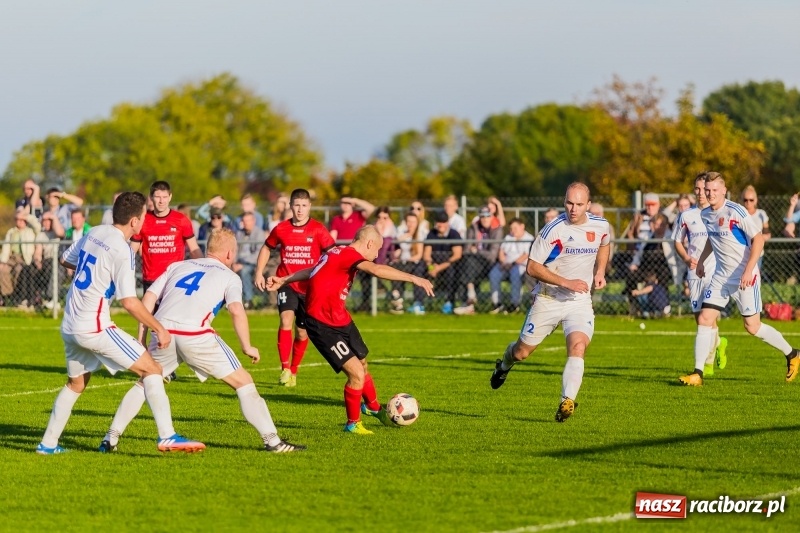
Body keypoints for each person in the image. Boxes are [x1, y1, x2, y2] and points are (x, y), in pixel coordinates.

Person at [97, 228, 304, 453]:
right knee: (244, 383)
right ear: (229, 254)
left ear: (208, 250)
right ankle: (273, 441)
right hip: (195, 335)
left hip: (162, 330)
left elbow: (148, 297)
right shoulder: (230, 276)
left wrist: (142, 337)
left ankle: (110, 437)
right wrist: (246, 345)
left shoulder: (178, 265)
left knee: (146, 381)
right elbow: (235, 309)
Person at [35, 191, 204, 454]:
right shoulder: (123, 250)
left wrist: (96, 272)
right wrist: (159, 328)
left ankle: (47, 444)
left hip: (70, 324)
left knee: (76, 384)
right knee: (153, 369)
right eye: (144, 218)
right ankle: (167, 435)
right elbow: (129, 302)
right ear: (135, 221)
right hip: (95, 326)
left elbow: (65, 259)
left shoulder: (95, 232)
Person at [266, 225, 434, 435]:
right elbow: (377, 270)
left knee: (363, 363)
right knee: (356, 373)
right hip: (321, 324)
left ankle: (372, 407)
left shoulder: (335, 252)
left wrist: (284, 279)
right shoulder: (349, 255)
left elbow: (312, 271)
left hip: (340, 318)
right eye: (377, 251)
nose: (376, 256)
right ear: (369, 243)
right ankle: (353, 423)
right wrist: (414, 278)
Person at [490, 183, 610, 423]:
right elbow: (532, 267)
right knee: (521, 353)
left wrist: (601, 271)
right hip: (548, 299)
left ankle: (567, 401)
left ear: (588, 205)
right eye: (568, 203)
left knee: (578, 347)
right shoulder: (552, 230)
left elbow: (604, 244)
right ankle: (503, 365)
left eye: (578, 204)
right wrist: (566, 282)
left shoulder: (600, 225)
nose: (572, 209)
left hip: (579, 300)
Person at [679, 172, 800, 386]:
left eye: (715, 190)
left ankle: (792, 354)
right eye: (707, 190)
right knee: (705, 319)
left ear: (724, 191)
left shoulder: (736, 211)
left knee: (752, 326)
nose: (710, 194)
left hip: (745, 276)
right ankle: (698, 373)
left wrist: (748, 270)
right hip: (721, 276)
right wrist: (701, 261)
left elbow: (759, 239)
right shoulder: (706, 214)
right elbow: (711, 240)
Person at [254, 188, 335, 386]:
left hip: (310, 288)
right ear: (290, 206)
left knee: (302, 333)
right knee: (285, 320)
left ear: (309, 207)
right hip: (285, 282)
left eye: (304, 206)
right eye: (296, 205)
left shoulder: (317, 229)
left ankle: (294, 371)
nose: (300, 210)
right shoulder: (281, 228)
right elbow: (266, 247)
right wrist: (259, 272)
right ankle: (285, 368)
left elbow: (332, 254)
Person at [131, 181, 203, 345]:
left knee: (168, 322)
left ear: (170, 197)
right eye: (157, 197)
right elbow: (131, 250)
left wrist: (208, 268)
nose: (161, 201)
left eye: (164, 197)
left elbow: (193, 249)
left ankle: (163, 361)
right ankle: (140, 351)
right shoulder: (143, 220)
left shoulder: (181, 220)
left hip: (174, 280)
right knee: (146, 318)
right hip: (151, 279)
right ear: (151, 198)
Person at [672, 173, 727, 377]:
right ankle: (720, 344)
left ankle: (707, 363)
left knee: (707, 319)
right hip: (695, 273)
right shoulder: (687, 215)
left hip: (716, 272)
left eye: (704, 189)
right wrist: (687, 258)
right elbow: (677, 241)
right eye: (697, 189)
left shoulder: (718, 213)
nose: (701, 193)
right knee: (701, 321)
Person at [454, 206, 503, 315]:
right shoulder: (473, 227)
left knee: (467, 265)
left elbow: (492, 255)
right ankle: (469, 299)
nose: (485, 219)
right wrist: (475, 251)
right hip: (473, 261)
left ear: (491, 217)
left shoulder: (497, 229)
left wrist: (477, 251)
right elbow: (466, 249)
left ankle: (469, 302)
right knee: (466, 262)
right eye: (482, 216)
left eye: (487, 216)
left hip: (489, 263)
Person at [330, 196, 376, 311]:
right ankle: (337, 305)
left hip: (359, 254)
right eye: (343, 202)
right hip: (343, 255)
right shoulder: (336, 219)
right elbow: (332, 237)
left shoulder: (358, 216)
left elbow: (372, 209)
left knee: (365, 281)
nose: (345, 205)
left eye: (348, 203)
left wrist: (355, 200)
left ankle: (366, 304)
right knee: (340, 281)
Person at [488, 218, 534, 314]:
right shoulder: (509, 237)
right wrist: (503, 263)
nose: (512, 230)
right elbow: (502, 251)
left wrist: (512, 265)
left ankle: (514, 304)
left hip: (520, 266)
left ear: (522, 226)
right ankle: (496, 303)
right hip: (505, 265)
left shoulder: (529, 238)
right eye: (511, 228)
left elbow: (526, 255)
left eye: (515, 228)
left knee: (515, 274)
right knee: (494, 274)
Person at [0, 209, 42, 308]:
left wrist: (25, 216)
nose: (19, 222)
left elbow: (37, 226)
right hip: (12, 257)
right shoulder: (11, 232)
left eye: (21, 220)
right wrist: (2, 261)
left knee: (18, 270)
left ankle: (17, 295)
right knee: (3, 271)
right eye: (17, 219)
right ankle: (7, 294)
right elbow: (6, 247)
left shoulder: (30, 231)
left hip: (24, 258)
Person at [423, 211, 463, 314]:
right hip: (434, 264)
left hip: (448, 264)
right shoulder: (431, 233)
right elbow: (426, 254)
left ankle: (449, 302)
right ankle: (419, 303)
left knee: (451, 273)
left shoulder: (454, 234)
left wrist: (439, 268)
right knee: (419, 270)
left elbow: (457, 255)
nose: (441, 225)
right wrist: (431, 267)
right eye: (439, 222)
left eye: (443, 222)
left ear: (447, 223)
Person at [388, 211, 428, 314]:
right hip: (403, 263)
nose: (410, 224)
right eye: (408, 221)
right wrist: (402, 238)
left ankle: (418, 303)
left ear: (417, 223)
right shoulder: (402, 233)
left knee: (417, 274)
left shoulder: (419, 235)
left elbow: (418, 255)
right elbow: (397, 250)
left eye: (413, 222)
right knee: (394, 270)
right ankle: (397, 299)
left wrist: (404, 260)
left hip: (414, 263)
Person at [233, 212, 266, 309]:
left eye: (248, 220)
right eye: (244, 221)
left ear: (254, 221)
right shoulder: (239, 233)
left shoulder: (259, 233)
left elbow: (258, 254)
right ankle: (232, 300)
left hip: (252, 263)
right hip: (238, 262)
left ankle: (248, 300)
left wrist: (243, 264)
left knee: (245, 271)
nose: (246, 223)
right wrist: (234, 263)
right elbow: (235, 250)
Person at [740, 185, 770, 271]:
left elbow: (767, 233)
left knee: (754, 280)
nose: (748, 202)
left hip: (757, 253)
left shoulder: (761, 214)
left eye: (751, 200)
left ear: (756, 200)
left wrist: (758, 238)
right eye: (745, 200)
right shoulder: (739, 214)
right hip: (741, 253)